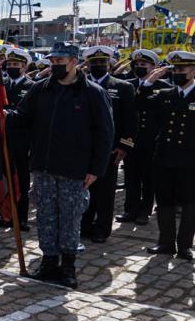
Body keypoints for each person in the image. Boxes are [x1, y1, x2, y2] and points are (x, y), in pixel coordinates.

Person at [0, 41, 114, 288]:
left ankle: (68, 266)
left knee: (71, 218)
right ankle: (49, 261)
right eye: (52, 62)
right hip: (44, 166)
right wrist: (4, 116)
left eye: (59, 62)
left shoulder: (93, 93)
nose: (54, 66)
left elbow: (104, 133)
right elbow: (23, 117)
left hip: (75, 169)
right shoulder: (41, 89)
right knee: (46, 216)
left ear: (74, 62)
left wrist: (96, 169)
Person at [140, 51, 195, 260]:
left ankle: (185, 246)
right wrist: (149, 81)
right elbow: (140, 104)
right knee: (164, 202)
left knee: (190, 204)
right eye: (175, 69)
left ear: (193, 71)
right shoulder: (166, 94)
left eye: (182, 69)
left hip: (190, 161)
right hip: (164, 158)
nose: (177, 73)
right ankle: (165, 243)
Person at [80, 46, 136, 243]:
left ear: (109, 64)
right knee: (84, 189)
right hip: (83, 149)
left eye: (102, 62)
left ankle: (102, 229)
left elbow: (130, 120)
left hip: (110, 149)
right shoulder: (79, 85)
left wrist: (124, 146)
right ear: (88, 64)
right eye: (94, 63)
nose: (98, 66)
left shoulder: (123, 87)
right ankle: (84, 225)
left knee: (104, 191)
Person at [119, 49, 167, 225]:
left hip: (151, 140)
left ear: (153, 67)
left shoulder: (163, 86)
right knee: (131, 177)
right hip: (131, 139)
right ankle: (130, 209)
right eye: (137, 65)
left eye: (143, 65)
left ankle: (145, 210)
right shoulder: (127, 84)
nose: (139, 67)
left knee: (148, 178)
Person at [0, 48, 34, 231]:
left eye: (16, 64)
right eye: (10, 64)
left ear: (24, 66)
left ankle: (21, 217)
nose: (12, 67)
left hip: (21, 140)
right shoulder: (1, 85)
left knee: (21, 180)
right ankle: (4, 214)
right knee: (3, 178)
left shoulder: (31, 86)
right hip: (1, 138)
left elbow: (33, 116)